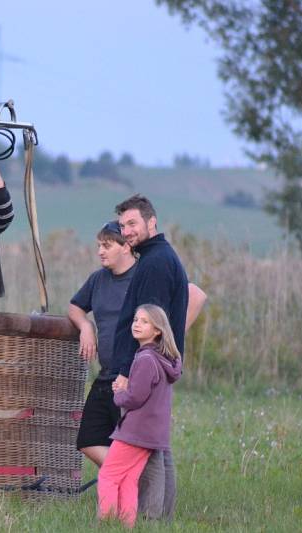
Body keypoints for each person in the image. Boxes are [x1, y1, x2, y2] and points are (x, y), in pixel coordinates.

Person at [69, 221, 206, 468]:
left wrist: (166, 340)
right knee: (88, 439)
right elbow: (75, 306)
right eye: (99, 245)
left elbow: (195, 294)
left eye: (106, 245)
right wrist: (85, 326)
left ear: (125, 247)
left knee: (138, 443)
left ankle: (131, 487)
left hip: (137, 373)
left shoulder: (146, 272)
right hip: (108, 374)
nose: (100, 251)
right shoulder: (98, 280)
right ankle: (125, 475)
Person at [111, 194, 190, 521]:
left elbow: (150, 320)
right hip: (155, 365)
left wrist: (129, 370)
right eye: (122, 226)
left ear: (151, 222)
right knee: (156, 444)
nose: (126, 231)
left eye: (132, 224)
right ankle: (162, 516)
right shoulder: (158, 257)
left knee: (146, 446)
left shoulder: (157, 263)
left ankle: (150, 517)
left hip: (146, 367)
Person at [98, 304, 182, 528]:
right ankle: (125, 525)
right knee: (128, 480)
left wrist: (119, 394)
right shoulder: (163, 360)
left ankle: (106, 524)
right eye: (136, 319)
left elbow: (135, 397)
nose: (137, 324)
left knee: (108, 475)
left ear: (157, 331)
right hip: (151, 435)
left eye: (145, 321)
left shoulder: (145, 360)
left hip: (134, 433)